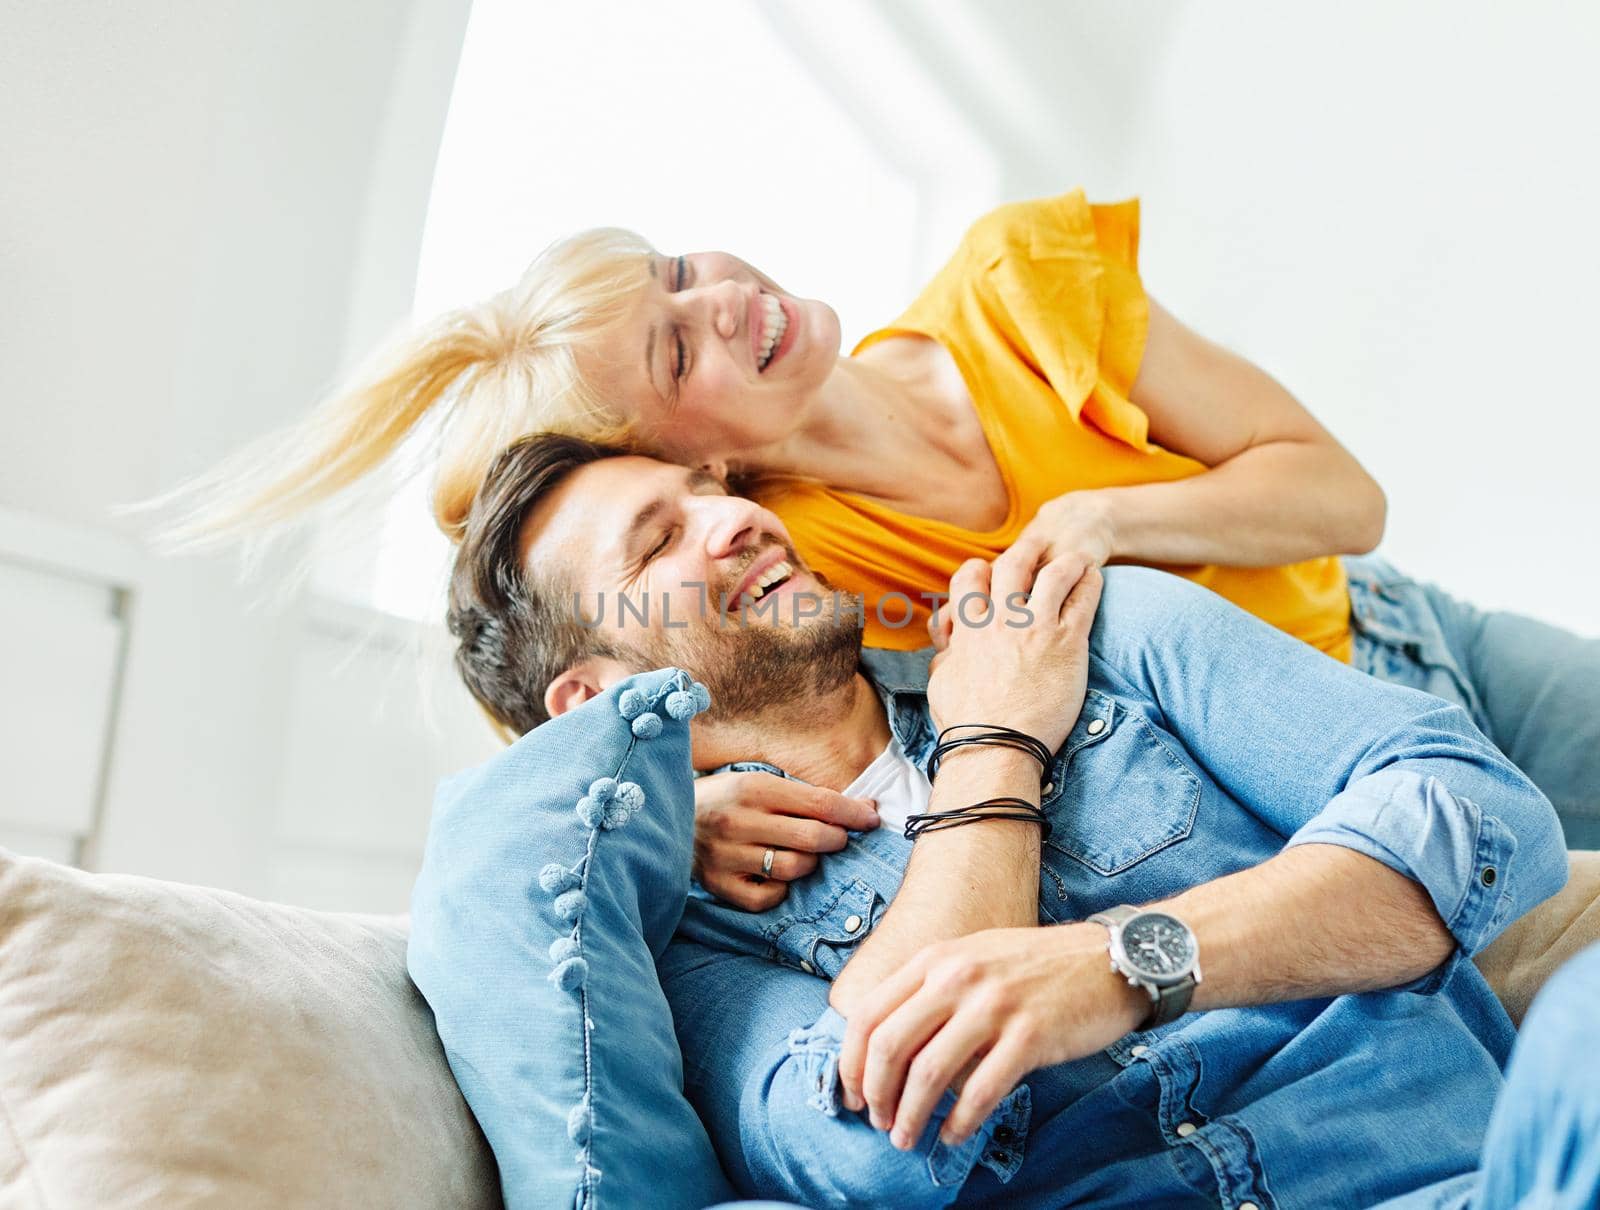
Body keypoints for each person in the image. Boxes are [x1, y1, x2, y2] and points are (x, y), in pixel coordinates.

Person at [163, 190, 1600, 881]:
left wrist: (1096, 513)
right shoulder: (788, 566)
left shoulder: (1013, 282)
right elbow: (577, 708)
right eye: (675, 351)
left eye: (678, 270)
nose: (724, 296)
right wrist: (686, 811)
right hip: (1315, 770)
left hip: (1417, 630)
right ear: (689, 453)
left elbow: (1341, 493)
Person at [414, 431, 1597, 1208]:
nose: (735, 520)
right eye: (659, 539)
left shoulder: (1088, 627)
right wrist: (993, 749)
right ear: (604, 698)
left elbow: (1483, 812)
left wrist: (1121, 965)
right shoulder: (700, 942)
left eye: (710, 490)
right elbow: (878, 1150)